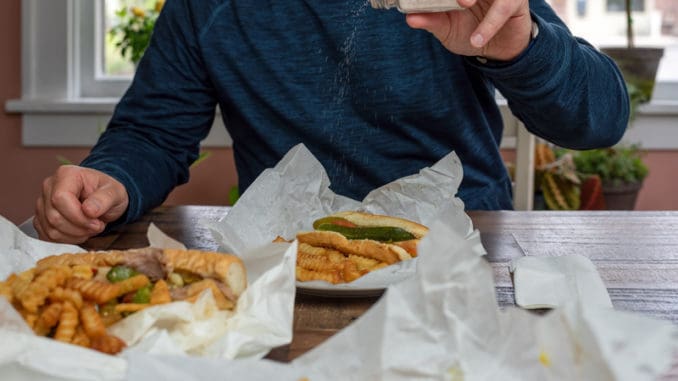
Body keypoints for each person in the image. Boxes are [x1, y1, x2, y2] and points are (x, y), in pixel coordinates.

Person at [34, 0, 629, 244]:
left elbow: (601, 119)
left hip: (459, 251)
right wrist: (109, 180)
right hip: (287, 259)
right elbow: (151, 134)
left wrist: (519, 49)